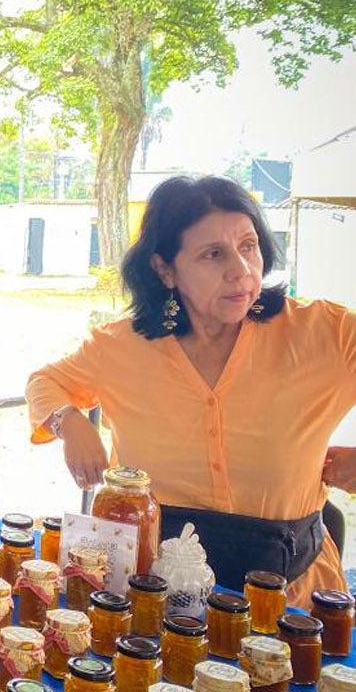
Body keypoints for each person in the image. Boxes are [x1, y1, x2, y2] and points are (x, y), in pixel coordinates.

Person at [26, 174, 356, 607]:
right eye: (213, 254)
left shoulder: (323, 335)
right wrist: (68, 421)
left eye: (249, 246)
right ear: (165, 269)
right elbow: (44, 382)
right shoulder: (122, 346)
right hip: (151, 597)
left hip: (292, 602)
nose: (241, 271)